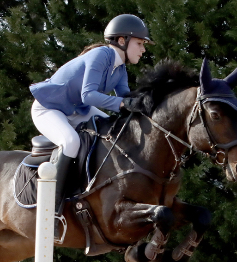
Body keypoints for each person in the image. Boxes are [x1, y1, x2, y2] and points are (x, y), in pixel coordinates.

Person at [29, 14, 153, 239]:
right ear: (122, 40)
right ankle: (51, 212)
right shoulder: (102, 54)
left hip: (77, 110)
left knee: (109, 128)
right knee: (71, 141)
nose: (143, 49)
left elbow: (124, 99)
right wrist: (124, 103)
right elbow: (88, 94)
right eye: (140, 43)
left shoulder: (120, 68)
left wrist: (146, 103)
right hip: (49, 108)